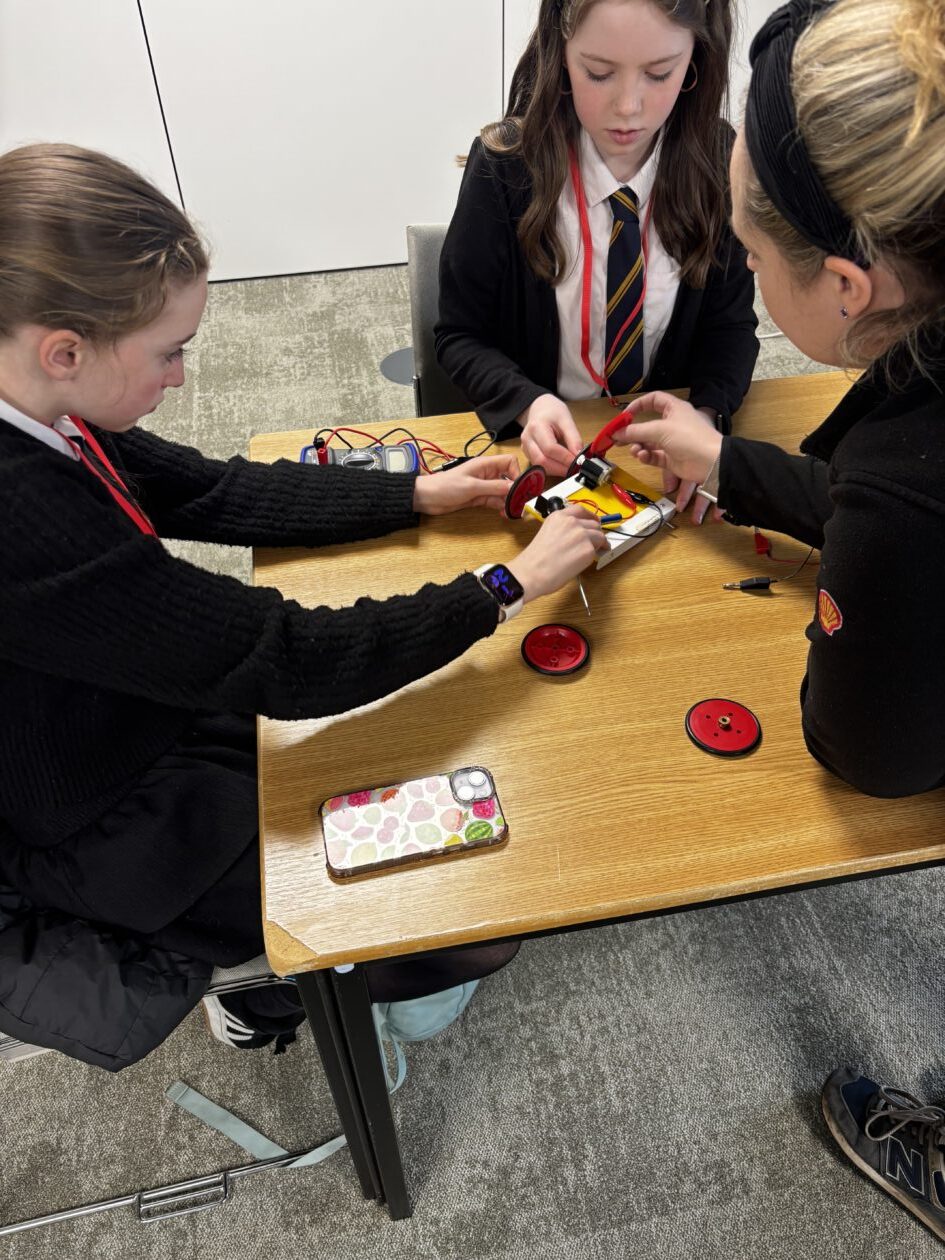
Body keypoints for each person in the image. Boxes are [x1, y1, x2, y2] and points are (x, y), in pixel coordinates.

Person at [0, 142, 608, 1069]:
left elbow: (207, 489)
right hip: (98, 811)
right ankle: (268, 987)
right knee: (474, 905)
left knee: (421, 757)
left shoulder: (43, 403)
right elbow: (283, 658)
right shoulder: (22, 516)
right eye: (169, 353)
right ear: (65, 350)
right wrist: (507, 585)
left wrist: (415, 494)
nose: (181, 379)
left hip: (134, 713)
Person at [611, 0, 945, 1243]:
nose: (742, 277)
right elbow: (881, 496)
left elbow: (868, 750)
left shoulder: (911, 481)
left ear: (853, 284)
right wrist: (733, 466)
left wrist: (839, 624)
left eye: (753, 254)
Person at [435, 0, 759, 522]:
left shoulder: (721, 165)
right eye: (598, 73)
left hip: (659, 464)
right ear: (559, 53)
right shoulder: (505, 172)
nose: (628, 106)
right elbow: (459, 336)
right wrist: (528, 403)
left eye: (659, 73)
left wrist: (705, 418)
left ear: (697, 59)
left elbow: (731, 329)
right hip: (551, 463)